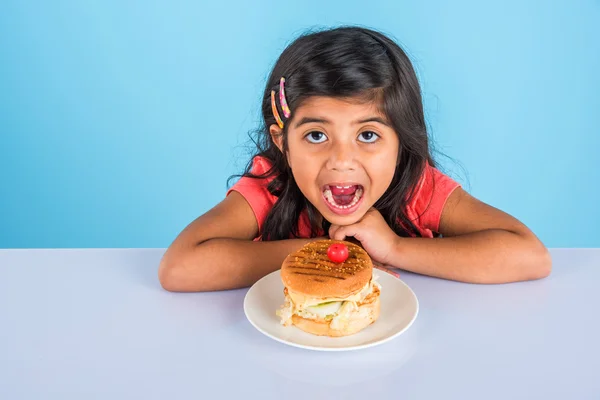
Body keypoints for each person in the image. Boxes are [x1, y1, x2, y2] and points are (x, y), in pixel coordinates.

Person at [158, 26, 551, 292]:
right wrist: (322, 254)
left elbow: (529, 255)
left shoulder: (417, 188)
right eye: (316, 135)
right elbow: (178, 268)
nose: (342, 160)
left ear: (401, 142)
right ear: (283, 143)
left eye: (368, 135)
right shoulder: (271, 187)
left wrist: (394, 248)